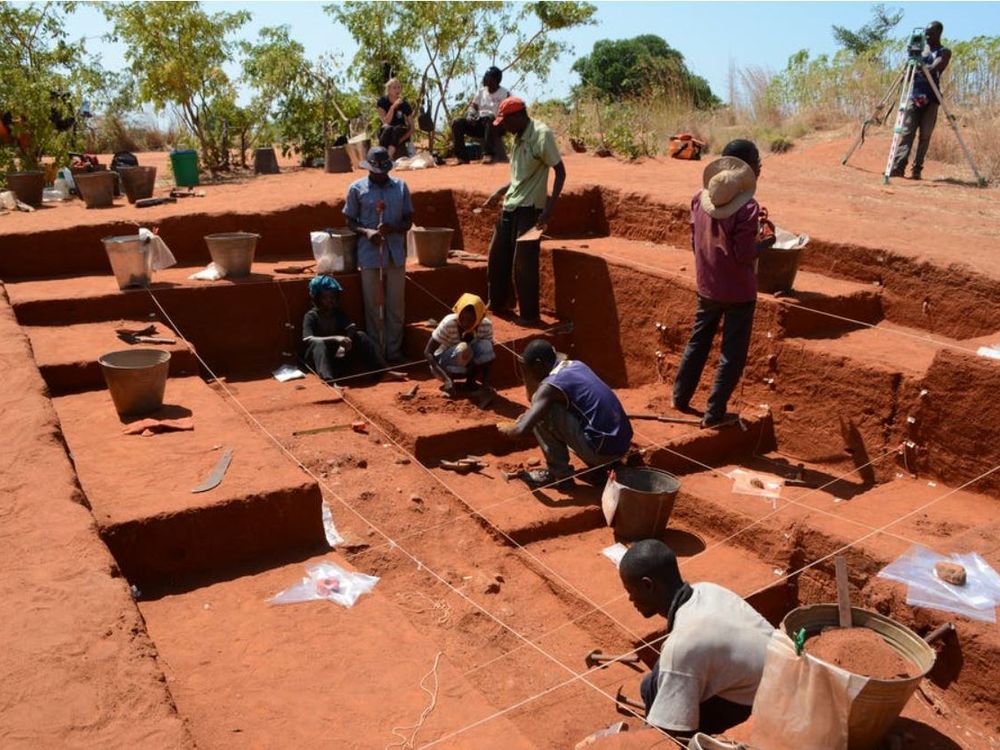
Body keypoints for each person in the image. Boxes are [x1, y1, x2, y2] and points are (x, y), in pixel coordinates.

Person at [619, 539, 774, 740]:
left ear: (648, 585)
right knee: (651, 684)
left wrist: (652, 737)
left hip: (764, 705)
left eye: (630, 591)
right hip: (776, 675)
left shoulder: (682, 644)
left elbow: (672, 734)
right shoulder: (708, 589)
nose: (630, 599)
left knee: (668, 728)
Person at [673, 139, 768, 429]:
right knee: (732, 353)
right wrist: (766, 243)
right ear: (748, 169)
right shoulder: (748, 209)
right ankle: (714, 414)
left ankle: (680, 397)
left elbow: (694, 240)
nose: (760, 167)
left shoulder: (699, 199)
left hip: (708, 285)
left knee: (698, 340)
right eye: (757, 163)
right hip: (738, 290)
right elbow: (744, 254)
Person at [499, 339, 632, 488]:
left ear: (538, 364)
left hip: (601, 451)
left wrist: (510, 429)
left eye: (530, 370)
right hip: (621, 443)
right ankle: (604, 465)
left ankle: (560, 476)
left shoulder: (550, 386)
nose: (531, 375)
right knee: (543, 408)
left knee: (542, 409)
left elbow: (521, 431)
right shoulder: (577, 365)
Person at [484, 97, 565, 326]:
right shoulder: (518, 137)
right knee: (496, 256)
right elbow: (519, 179)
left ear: (519, 116)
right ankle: (498, 304)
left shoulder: (541, 134)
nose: (505, 128)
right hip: (511, 204)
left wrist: (548, 210)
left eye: (506, 122)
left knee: (524, 262)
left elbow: (560, 172)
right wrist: (499, 192)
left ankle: (530, 315)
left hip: (531, 209)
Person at [344, 146, 413, 364]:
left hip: (395, 254)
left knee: (396, 306)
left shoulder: (401, 187)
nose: (381, 174)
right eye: (377, 171)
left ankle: (393, 351)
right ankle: (376, 354)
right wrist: (367, 232)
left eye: (384, 170)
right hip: (369, 254)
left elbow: (408, 220)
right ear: (369, 168)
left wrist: (393, 228)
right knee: (373, 306)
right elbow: (350, 221)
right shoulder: (356, 189)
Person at [891, 21, 952, 180]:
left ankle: (917, 169)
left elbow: (934, 69)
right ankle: (898, 167)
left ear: (939, 33)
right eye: (926, 33)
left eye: (931, 33)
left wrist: (921, 64)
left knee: (925, 136)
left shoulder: (944, 52)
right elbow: (908, 74)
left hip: (931, 98)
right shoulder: (920, 51)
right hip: (914, 96)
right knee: (906, 133)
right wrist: (913, 58)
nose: (927, 36)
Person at [301, 275, 386, 383]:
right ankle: (329, 381)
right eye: (325, 297)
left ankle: (383, 372)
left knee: (360, 335)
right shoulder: (311, 316)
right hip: (319, 360)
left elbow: (351, 327)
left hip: (337, 357)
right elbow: (308, 339)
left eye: (332, 297)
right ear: (317, 298)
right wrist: (335, 338)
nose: (330, 300)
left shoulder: (337, 312)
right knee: (319, 344)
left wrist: (347, 340)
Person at [424, 292, 496, 406]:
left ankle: (471, 382)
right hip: (444, 365)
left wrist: (485, 385)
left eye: (471, 320)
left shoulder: (485, 325)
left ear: (479, 318)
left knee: (487, 346)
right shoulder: (449, 322)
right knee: (463, 348)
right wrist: (446, 379)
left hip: (468, 365)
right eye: (462, 318)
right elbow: (428, 352)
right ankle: (451, 383)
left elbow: (489, 357)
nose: (465, 323)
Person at [452, 66, 510, 164]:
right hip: (480, 124)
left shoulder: (504, 94)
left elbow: (507, 113)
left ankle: (488, 154)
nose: (485, 78)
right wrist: (471, 115)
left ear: (495, 80)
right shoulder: (481, 91)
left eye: (488, 76)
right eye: (485, 76)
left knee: (489, 118)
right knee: (457, 123)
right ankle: (462, 157)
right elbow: (473, 106)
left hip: (496, 126)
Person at [376, 78, 414, 159]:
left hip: (399, 131)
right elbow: (386, 122)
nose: (397, 90)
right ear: (388, 89)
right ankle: (380, 155)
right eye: (394, 87)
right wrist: (393, 107)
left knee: (396, 129)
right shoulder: (382, 102)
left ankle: (388, 157)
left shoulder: (405, 104)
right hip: (387, 131)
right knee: (388, 128)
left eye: (399, 87)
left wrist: (400, 140)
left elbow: (412, 128)